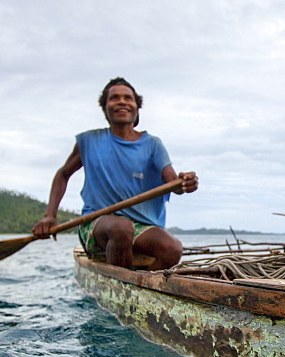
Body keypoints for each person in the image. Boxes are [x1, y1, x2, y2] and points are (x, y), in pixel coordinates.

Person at [32, 77, 198, 270]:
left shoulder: (152, 144)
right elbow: (63, 174)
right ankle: (124, 283)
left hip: (142, 227)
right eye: (114, 98)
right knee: (121, 228)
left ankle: (144, 286)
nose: (122, 102)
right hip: (96, 224)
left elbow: (173, 182)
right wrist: (49, 216)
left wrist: (185, 182)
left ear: (136, 108)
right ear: (105, 109)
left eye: (128, 98)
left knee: (173, 249)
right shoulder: (89, 141)